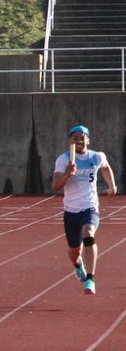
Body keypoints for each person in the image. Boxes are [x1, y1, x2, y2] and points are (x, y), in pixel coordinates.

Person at [52, 123, 117, 296]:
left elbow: (105, 168)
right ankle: (77, 264)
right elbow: (55, 186)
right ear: (70, 141)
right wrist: (68, 174)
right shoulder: (64, 159)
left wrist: (112, 186)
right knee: (75, 251)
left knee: (88, 233)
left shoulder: (96, 157)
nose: (79, 140)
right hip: (71, 211)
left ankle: (90, 278)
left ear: (87, 139)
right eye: (75, 137)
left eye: (82, 137)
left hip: (90, 207)